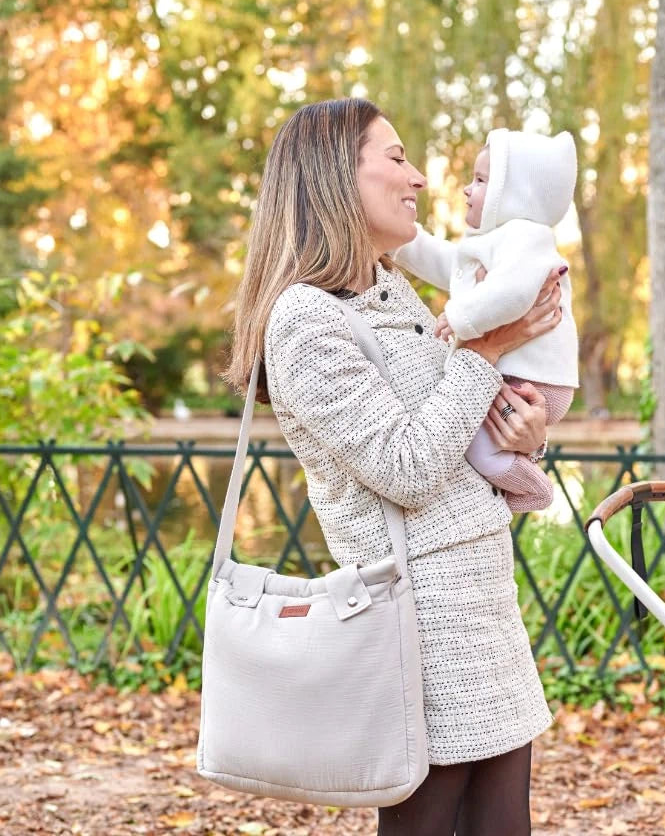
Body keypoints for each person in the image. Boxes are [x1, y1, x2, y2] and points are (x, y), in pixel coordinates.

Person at [224, 98, 564, 836]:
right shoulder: (304, 320)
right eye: (397, 158)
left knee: (505, 825)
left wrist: (523, 439)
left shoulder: (389, 289)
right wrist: (483, 352)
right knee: (426, 823)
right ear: (335, 179)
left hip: (480, 601)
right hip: (415, 619)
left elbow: (453, 460)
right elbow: (406, 468)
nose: (418, 179)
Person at [393, 129, 579, 511]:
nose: (466, 189)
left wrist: (461, 317)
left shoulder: (526, 237)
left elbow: (512, 293)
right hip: (519, 376)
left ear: (513, 196)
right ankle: (518, 483)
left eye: (480, 181)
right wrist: (403, 241)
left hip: (533, 379)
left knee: (478, 452)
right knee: (473, 446)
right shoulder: (497, 242)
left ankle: (533, 492)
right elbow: (449, 265)